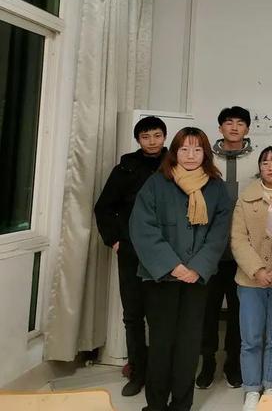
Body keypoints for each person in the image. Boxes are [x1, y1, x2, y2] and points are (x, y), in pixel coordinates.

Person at [129, 127, 231, 411]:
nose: (190, 155)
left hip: (197, 279)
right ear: (174, 152)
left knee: (189, 344)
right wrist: (173, 266)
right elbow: (142, 228)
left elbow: (219, 232)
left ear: (205, 154)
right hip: (160, 276)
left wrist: (196, 268)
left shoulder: (216, 187)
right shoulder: (156, 183)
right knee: (161, 342)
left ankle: (182, 405)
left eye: (197, 149)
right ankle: (156, 405)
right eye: (184, 149)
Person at [94, 116, 167, 397]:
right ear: (138, 140)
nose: (152, 141)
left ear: (164, 137)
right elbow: (104, 207)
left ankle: (161, 372)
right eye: (146, 136)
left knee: (161, 316)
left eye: (157, 135)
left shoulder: (174, 164)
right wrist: (114, 240)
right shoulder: (125, 167)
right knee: (133, 315)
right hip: (131, 251)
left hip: (165, 251)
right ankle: (137, 371)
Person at [198, 106, 258, 389]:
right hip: (211, 247)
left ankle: (234, 364)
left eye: (240, 123)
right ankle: (207, 363)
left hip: (244, 248)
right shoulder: (204, 158)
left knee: (239, 312)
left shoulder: (259, 159)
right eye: (229, 123)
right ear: (220, 128)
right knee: (207, 311)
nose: (234, 128)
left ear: (247, 128)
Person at [230, 146, 272, 411]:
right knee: (251, 338)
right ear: (259, 167)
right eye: (265, 162)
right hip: (250, 280)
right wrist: (258, 270)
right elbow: (238, 239)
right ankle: (252, 388)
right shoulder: (246, 197)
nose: (271, 167)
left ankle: (271, 384)